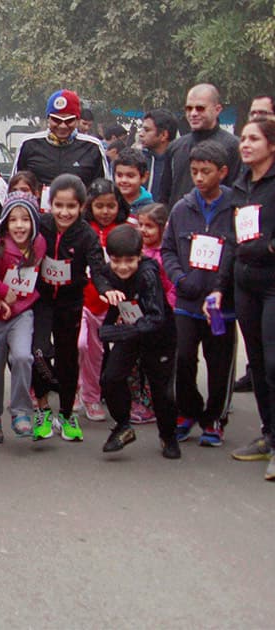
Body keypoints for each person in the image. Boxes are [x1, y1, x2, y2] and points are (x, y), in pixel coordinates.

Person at [159, 141, 236, 446]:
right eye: (194, 172)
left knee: (219, 362)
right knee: (183, 358)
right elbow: (167, 250)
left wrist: (220, 288)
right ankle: (187, 411)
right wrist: (179, 278)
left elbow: (237, 251)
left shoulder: (236, 207)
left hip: (222, 305)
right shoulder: (181, 208)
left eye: (206, 172)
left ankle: (214, 418)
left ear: (223, 172)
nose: (199, 178)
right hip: (187, 302)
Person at [213, 118, 275, 476]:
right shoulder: (241, 186)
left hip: (272, 284)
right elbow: (233, 242)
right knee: (259, 362)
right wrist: (221, 288)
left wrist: (268, 246)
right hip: (244, 284)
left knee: (274, 362)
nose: (245, 144)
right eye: (243, 139)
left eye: (254, 139)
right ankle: (268, 435)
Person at [32, 174, 111, 442]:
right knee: (39, 351)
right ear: (50, 204)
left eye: (71, 207)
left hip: (70, 302)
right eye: (59, 206)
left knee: (68, 356)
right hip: (41, 300)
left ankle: (66, 414)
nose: (64, 212)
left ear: (81, 207)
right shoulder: (41, 225)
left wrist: (105, 289)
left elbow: (98, 269)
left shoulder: (86, 235)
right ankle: (42, 409)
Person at [98, 225, 181, 458]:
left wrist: (116, 333)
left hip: (159, 336)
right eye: (116, 261)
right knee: (111, 378)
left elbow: (156, 317)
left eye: (129, 261)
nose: (123, 267)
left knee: (161, 391)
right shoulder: (110, 271)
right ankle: (123, 425)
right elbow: (98, 275)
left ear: (140, 256)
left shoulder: (147, 274)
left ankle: (168, 436)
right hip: (131, 330)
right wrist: (106, 291)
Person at [0, 192, 45, 442]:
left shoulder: (40, 245)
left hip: (21, 314)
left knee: (23, 356)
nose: (20, 226)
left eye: (25, 219)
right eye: (13, 220)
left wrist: (14, 305)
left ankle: (21, 411)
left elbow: (33, 282)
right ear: (5, 223)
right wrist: (2, 293)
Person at [77, 179, 130, 423]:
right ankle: (78, 388)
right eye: (99, 206)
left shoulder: (126, 230)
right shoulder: (82, 228)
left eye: (111, 206)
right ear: (90, 205)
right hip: (82, 299)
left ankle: (92, 396)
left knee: (97, 353)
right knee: (80, 345)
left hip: (110, 303)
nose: (106, 211)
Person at [161, 84, 242, 207]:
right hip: (179, 221)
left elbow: (237, 193)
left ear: (217, 109)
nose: (193, 113)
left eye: (200, 108)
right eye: (189, 108)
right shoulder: (175, 147)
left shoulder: (234, 146)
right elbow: (164, 194)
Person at [12, 89, 109, 187]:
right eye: (56, 120)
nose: (62, 126)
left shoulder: (93, 147)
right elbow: (14, 188)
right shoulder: (29, 144)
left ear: (77, 120)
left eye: (69, 121)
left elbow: (104, 190)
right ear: (48, 118)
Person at [139, 109, 178, 202]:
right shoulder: (138, 161)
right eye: (142, 129)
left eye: (147, 130)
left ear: (163, 135)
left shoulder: (178, 163)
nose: (141, 134)